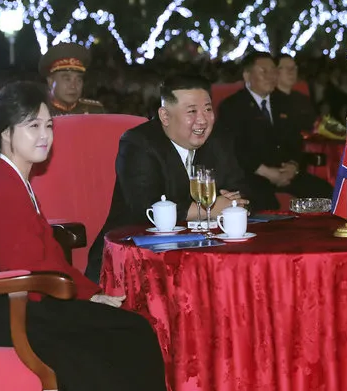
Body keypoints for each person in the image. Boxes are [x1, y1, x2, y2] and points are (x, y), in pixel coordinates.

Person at [0, 81, 167, 391]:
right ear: (6, 133)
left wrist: (91, 295)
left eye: (48, 125)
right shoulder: (0, 187)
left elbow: (47, 255)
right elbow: (26, 269)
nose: (45, 135)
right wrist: (78, 303)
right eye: (33, 126)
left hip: (18, 296)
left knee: (129, 329)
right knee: (123, 336)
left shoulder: (15, 180)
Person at [85, 74, 250, 283]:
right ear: (165, 116)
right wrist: (210, 209)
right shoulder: (139, 143)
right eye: (191, 112)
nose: (202, 120)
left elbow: (241, 188)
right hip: (135, 258)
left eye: (208, 109)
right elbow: (146, 206)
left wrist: (232, 202)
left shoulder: (218, 141)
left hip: (203, 256)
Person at [216, 51, 333, 211]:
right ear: (247, 76)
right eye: (264, 71)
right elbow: (234, 149)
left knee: (326, 193)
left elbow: (295, 140)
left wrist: (293, 165)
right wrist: (266, 172)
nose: (271, 76)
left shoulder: (285, 102)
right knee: (266, 204)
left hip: (286, 172)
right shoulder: (232, 106)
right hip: (253, 174)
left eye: (273, 71)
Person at [38, 42, 105, 115]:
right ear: (50, 82)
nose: (73, 86)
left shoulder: (94, 112)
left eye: (78, 80)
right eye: (67, 79)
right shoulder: (38, 112)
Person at [274, 54, 317, 132]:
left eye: (294, 68)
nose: (291, 72)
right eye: (287, 68)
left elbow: (314, 125)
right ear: (276, 71)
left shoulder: (303, 99)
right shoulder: (268, 100)